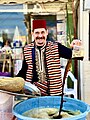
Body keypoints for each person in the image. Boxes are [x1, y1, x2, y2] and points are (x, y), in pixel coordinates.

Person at [17, 19, 83, 96]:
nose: (40, 36)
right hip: (33, 92)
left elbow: (76, 55)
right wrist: (14, 81)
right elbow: (24, 69)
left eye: (42, 32)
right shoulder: (27, 49)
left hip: (54, 92)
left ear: (47, 32)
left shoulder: (56, 47)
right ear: (32, 34)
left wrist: (77, 45)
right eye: (37, 33)